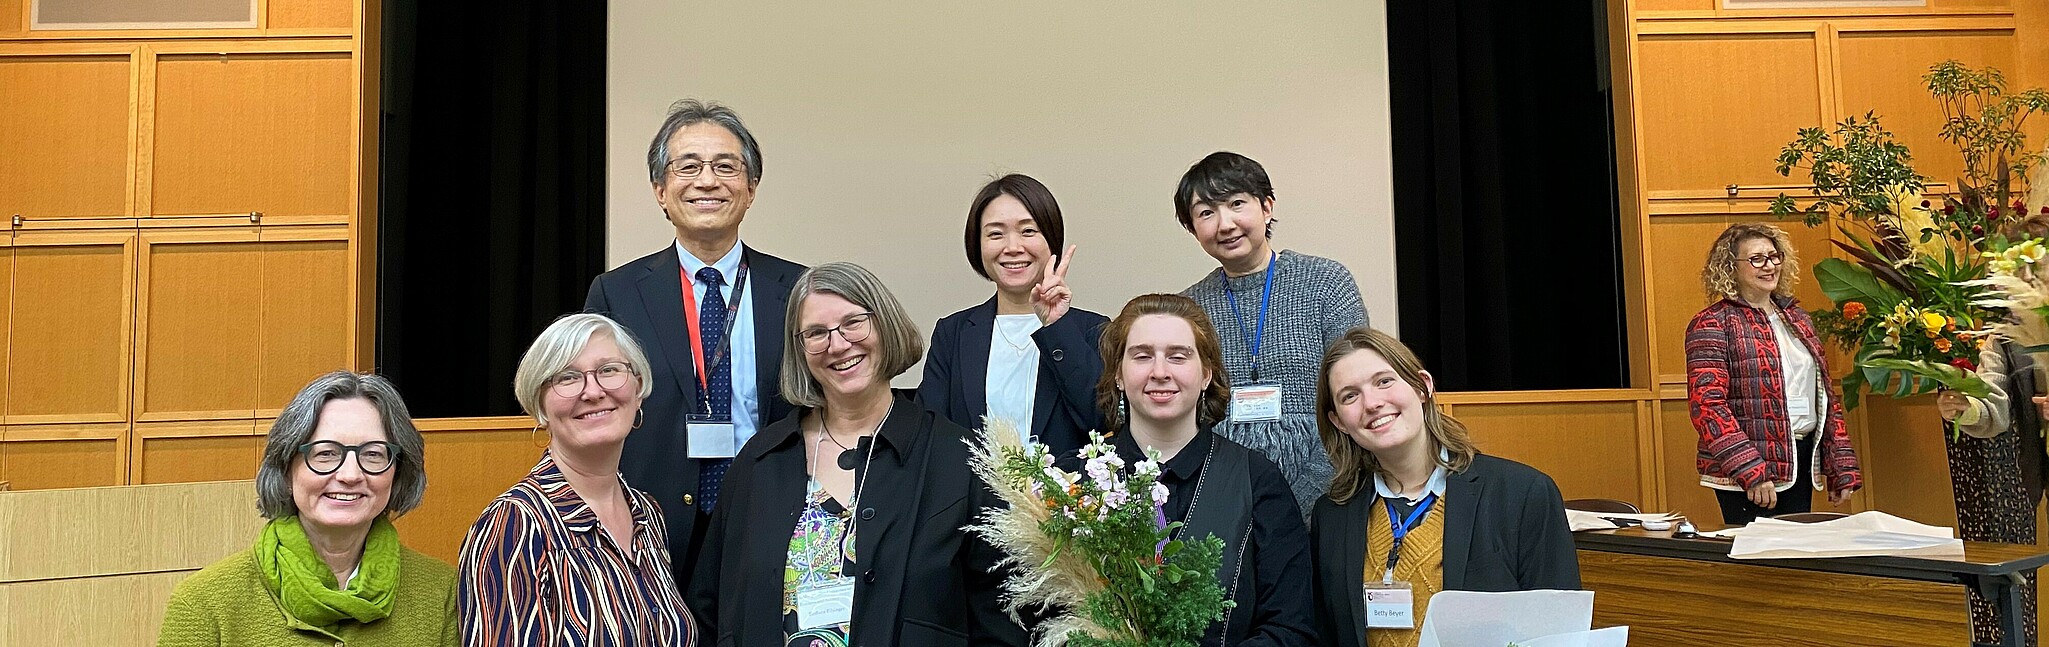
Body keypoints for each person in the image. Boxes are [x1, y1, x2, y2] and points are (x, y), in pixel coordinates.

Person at [686, 262, 1025, 646]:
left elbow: (1001, 619)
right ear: (800, 350)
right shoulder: (761, 461)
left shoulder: (957, 461)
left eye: (853, 323)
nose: (838, 344)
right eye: (816, 333)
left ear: (884, 325)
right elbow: (709, 607)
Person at [583, 99, 807, 583]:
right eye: (688, 167)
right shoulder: (617, 293)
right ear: (660, 190)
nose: (707, 180)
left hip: (772, 516)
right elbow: (588, 408)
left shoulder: (797, 290)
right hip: (650, 524)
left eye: (726, 166)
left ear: (750, 189)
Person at [1068, 293, 1315, 647]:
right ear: (1118, 375)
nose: (1160, 372)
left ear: (1205, 375)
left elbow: (1290, 629)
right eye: (1142, 356)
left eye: (1178, 356)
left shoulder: (1257, 482)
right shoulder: (1074, 482)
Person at [1308, 327, 1579, 647]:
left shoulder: (1522, 495)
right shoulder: (1332, 516)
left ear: (1422, 387)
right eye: (1350, 396)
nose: (1372, 403)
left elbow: (1561, 633)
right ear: (1339, 421)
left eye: (1384, 381)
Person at [158, 371, 457, 645]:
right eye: (326, 453)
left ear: (399, 471)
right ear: (286, 469)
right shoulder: (204, 604)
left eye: (373, 454)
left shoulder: (441, 592)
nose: (350, 475)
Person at [457, 314, 698, 645]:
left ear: (638, 387)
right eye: (567, 377)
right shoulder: (513, 526)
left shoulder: (647, 513)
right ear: (540, 405)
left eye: (609, 370)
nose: (593, 391)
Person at [1174, 151, 1368, 515]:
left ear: (1266, 207)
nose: (1225, 223)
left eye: (1236, 204)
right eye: (1206, 213)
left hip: (1330, 491)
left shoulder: (1327, 283)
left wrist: (1302, 500)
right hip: (1222, 502)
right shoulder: (1189, 308)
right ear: (1192, 228)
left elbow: (1356, 393)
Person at [919, 173, 1109, 458]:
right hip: (972, 500)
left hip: (1067, 498)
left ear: (1051, 240)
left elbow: (1102, 421)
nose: (1012, 247)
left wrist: (1056, 326)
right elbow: (930, 433)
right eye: (996, 234)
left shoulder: (1092, 330)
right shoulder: (953, 333)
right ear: (977, 245)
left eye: (1028, 231)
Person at [1686, 223, 1861, 525]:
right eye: (1757, 259)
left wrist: (1840, 464)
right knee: (1762, 567)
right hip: (1750, 469)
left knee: (1798, 562)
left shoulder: (1797, 317)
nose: (1770, 266)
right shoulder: (1712, 323)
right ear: (1731, 267)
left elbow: (1824, 396)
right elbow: (1708, 406)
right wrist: (1749, 469)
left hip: (1801, 457)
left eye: (1774, 256)